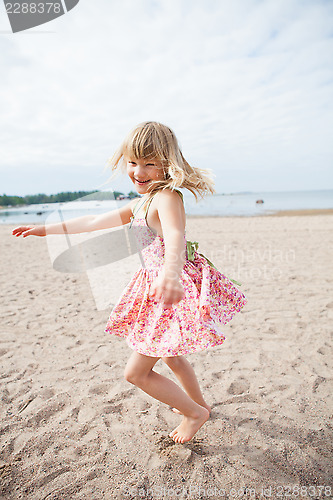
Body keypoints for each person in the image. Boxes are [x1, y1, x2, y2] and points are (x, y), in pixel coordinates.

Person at [12, 121, 247, 444]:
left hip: (167, 285)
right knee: (171, 356)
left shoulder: (166, 197)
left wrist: (170, 274)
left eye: (150, 163)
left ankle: (195, 413)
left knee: (136, 374)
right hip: (156, 283)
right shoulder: (141, 202)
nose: (139, 171)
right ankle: (200, 404)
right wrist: (47, 229)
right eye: (134, 162)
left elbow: (176, 235)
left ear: (168, 164)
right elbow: (94, 221)